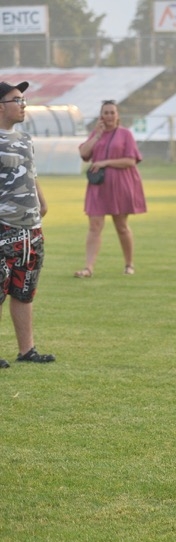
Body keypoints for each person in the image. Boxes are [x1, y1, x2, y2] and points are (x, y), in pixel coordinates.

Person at [0, 81, 55, 366]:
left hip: (30, 228)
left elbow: (31, 175)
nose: (23, 105)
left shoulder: (24, 139)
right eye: (16, 100)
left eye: (24, 100)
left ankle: (27, 350)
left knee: (25, 289)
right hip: (3, 227)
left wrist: (41, 204)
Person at [75, 99, 146, 278]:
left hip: (120, 184)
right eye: (105, 113)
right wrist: (97, 136)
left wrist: (105, 162)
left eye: (112, 112)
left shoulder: (125, 134)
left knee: (121, 225)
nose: (109, 116)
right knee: (94, 225)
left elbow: (130, 160)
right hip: (98, 186)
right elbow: (84, 153)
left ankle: (129, 264)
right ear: (101, 115)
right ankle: (88, 268)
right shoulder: (95, 133)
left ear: (117, 115)